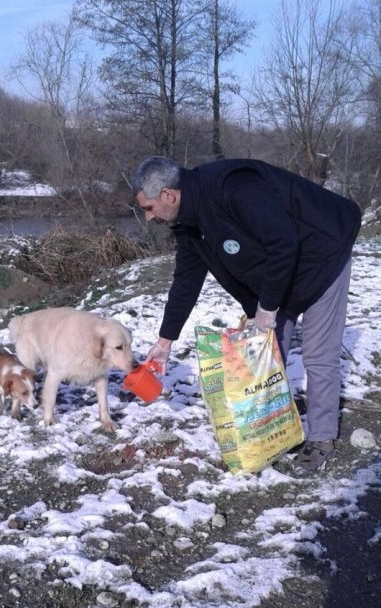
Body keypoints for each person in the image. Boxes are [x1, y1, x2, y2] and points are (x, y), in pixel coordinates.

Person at [132, 156, 362, 474]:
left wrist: (267, 309)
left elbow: (283, 241)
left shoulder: (233, 187)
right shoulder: (187, 224)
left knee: (318, 355)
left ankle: (321, 438)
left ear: (168, 195)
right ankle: (275, 430)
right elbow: (186, 281)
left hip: (322, 255)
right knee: (266, 354)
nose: (148, 217)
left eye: (149, 208)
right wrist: (165, 340)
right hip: (280, 272)